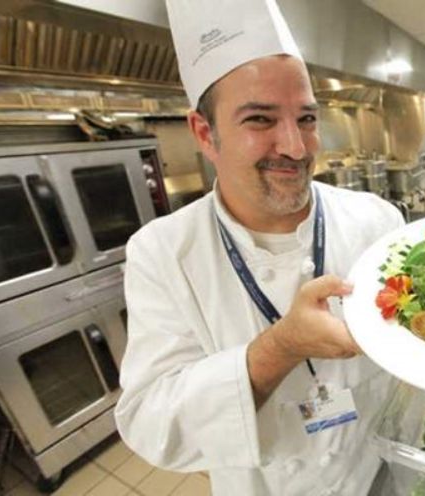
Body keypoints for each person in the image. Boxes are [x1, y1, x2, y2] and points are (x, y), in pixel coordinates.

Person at [114, 0, 404, 494]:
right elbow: (150, 423)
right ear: (205, 133)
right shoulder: (162, 253)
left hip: (377, 473)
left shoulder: (377, 219)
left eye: (307, 119)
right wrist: (281, 347)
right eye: (260, 120)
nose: (295, 146)